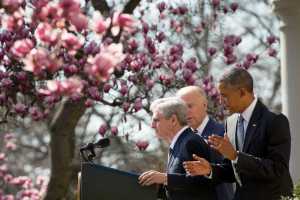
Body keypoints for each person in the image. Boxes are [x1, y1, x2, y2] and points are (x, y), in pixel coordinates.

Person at [183, 68, 293, 200]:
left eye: (225, 95)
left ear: (242, 92)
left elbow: (277, 170)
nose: (221, 101)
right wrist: (210, 169)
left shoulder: (274, 120)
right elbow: (232, 171)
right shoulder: (231, 122)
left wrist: (235, 155)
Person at [138, 97, 217, 200]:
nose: (152, 125)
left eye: (156, 120)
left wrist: (164, 178)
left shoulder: (191, 142)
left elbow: (201, 181)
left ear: (173, 120)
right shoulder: (179, 143)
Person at [176, 86, 234, 200]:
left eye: (190, 106)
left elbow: (232, 172)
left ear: (205, 105)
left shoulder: (223, 133)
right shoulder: (179, 139)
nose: (185, 112)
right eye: (181, 108)